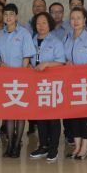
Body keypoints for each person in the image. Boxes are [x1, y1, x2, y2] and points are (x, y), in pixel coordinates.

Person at [0, 3, 35, 156]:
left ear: (16, 16)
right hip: (5, 79)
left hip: (21, 78)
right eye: (5, 14)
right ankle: (10, 143)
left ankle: (17, 144)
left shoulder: (24, 33)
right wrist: (0, 63)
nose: (8, 17)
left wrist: (21, 74)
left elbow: (27, 56)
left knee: (20, 112)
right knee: (9, 112)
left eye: (11, 14)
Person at [27, 12, 65, 162]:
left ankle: (53, 148)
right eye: (38, 23)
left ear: (49, 24)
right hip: (36, 83)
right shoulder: (31, 40)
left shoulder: (56, 42)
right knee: (40, 116)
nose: (41, 26)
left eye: (44, 23)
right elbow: (28, 58)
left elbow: (61, 62)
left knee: (53, 117)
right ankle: (43, 145)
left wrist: (47, 64)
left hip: (52, 84)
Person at [64, 7, 87, 160]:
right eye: (73, 18)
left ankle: (85, 147)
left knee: (85, 117)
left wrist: (77, 69)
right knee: (74, 117)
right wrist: (66, 64)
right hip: (70, 84)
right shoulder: (67, 38)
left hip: (85, 84)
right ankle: (77, 146)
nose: (76, 21)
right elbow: (63, 59)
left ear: (84, 20)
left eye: (79, 18)